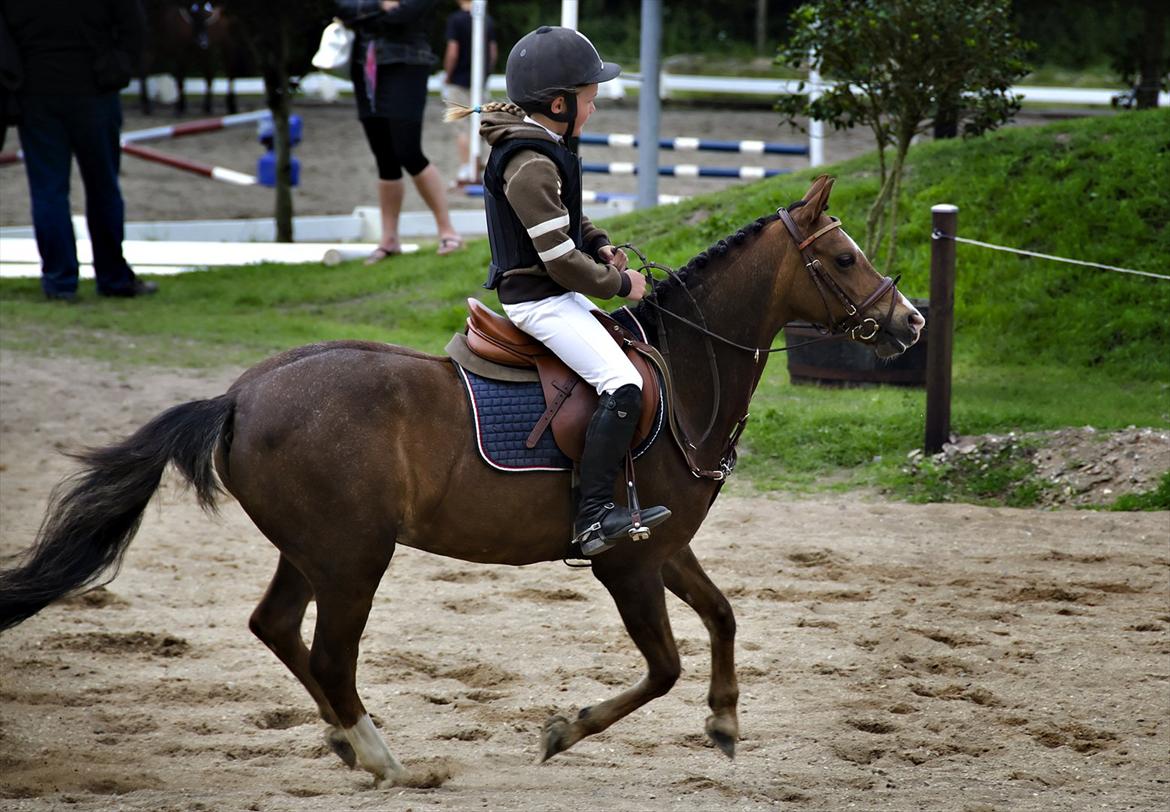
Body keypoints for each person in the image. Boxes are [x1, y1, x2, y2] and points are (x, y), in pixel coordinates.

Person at [448, 26, 670, 556]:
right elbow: (559, 262)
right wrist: (621, 282)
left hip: (553, 291)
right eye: (589, 100)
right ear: (558, 103)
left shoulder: (544, 147)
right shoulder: (528, 163)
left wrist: (599, 243)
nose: (593, 109)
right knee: (622, 382)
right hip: (539, 301)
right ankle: (593, 516)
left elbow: (568, 220)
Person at [4, 0, 157, 301]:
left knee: (48, 191)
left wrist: (14, 80)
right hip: (95, 88)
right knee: (104, 188)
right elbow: (134, 25)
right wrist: (121, 65)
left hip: (37, 90)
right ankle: (113, 277)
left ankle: (60, 281)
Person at [336, 0, 463, 264]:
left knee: (408, 151)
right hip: (365, 66)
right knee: (384, 155)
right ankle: (389, 240)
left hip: (407, 64)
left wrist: (366, 14)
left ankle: (448, 231)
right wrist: (381, 5)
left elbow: (408, 13)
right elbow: (342, 8)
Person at [441, 0, 496, 186]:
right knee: (481, 124)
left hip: (459, 80)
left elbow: (453, 51)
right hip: (479, 81)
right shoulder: (486, 20)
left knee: (462, 126)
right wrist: (486, 73)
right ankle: (481, 164)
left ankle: (466, 167)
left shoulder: (455, 20)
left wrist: (448, 75)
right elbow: (492, 51)